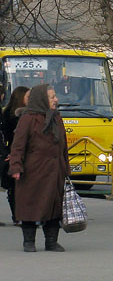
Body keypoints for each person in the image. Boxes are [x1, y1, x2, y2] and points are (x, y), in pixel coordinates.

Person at [8, 84, 71, 252]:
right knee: (30, 205)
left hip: (55, 171)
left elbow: (63, 147)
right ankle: (29, 241)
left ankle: (51, 242)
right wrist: (15, 167)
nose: (56, 100)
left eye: (55, 96)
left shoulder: (56, 117)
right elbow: (18, 146)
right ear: (41, 99)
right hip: (33, 171)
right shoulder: (28, 118)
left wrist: (66, 169)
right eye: (52, 97)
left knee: (54, 207)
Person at [2, 86, 30, 224]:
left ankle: (17, 216)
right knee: (17, 186)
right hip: (16, 153)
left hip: (10, 152)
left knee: (14, 187)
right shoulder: (19, 117)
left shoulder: (6, 113)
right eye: (27, 97)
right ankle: (20, 215)